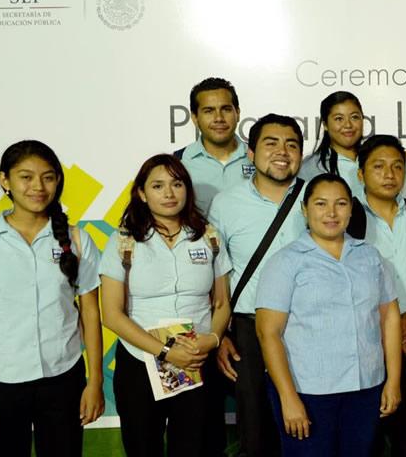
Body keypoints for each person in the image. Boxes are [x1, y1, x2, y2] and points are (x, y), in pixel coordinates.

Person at [0, 140, 104, 457]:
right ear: (5, 180)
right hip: (0, 379)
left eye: (48, 177)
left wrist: (95, 381)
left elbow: (90, 313)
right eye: (25, 177)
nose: (38, 187)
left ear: (58, 181)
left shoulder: (76, 238)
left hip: (64, 377)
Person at [255, 173, 402, 457]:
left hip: (366, 387)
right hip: (308, 392)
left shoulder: (370, 257)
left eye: (341, 204)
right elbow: (267, 333)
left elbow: (390, 318)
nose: (331, 213)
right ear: (305, 209)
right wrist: (288, 398)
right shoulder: (286, 262)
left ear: (351, 208)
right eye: (321, 204)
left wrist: (393, 381)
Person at [99, 154, 232, 456]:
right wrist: (166, 351)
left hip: (197, 361)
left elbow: (222, 301)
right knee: (143, 447)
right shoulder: (124, 241)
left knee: (195, 447)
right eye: (158, 186)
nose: (169, 193)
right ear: (142, 194)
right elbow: (112, 314)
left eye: (177, 183)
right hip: (140, 362)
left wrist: (211, 340)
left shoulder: (209, 237)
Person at [209, 113, 308, 457]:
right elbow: (215, 274)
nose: (282, 151)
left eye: (292, 144)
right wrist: (219, 334)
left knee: (309, 425)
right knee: (255, 431)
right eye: (271, 143)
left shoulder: (319, 200)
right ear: (250, 154)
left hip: (309, 327)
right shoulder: (226, 204)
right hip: (247, 332)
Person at [353, 135, 406, 457]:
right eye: (379, 166)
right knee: (368, 435)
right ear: (361, 174)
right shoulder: (349, 217)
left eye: (397, 167)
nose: (389, 174)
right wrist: (392, 330)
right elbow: (347, 282)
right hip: (367, 341)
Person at [177, 77, 253, 214]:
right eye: (209, 111)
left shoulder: (259, 159)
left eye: (226, 109)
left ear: (238, 113)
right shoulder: (178, 163)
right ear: (195, 117)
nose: (219, 118)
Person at [298, 91, 367, 197]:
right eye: (339, 119)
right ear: (325, 125)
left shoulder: (376, 157)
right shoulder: (310, 168)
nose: (348, 125)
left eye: (354, 117)